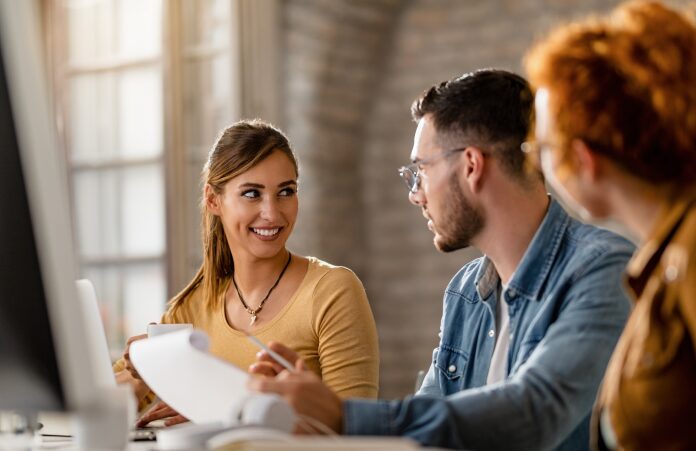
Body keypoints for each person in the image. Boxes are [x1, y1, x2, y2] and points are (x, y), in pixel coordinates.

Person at [248, 70, 635, 450]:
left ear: (471, 165)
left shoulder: (604, 269)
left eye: (421, 170)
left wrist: (344, 416)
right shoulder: (466, 291)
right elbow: (429, 421)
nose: (415, 194)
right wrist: (315, 419)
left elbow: (535, 412)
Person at [114, 120, 380, 425]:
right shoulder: (190, 308)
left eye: (286, 191)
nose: (272, 212)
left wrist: (215, 413)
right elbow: (100, 405)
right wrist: (148, 371)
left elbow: (356, 432)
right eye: (252, 194)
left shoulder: (332, 291)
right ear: (214, 200)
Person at [524, 2, 696, 449]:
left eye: (541, 146)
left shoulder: (691, 249)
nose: (535, 161)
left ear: (583, 158)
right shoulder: (668, 254)